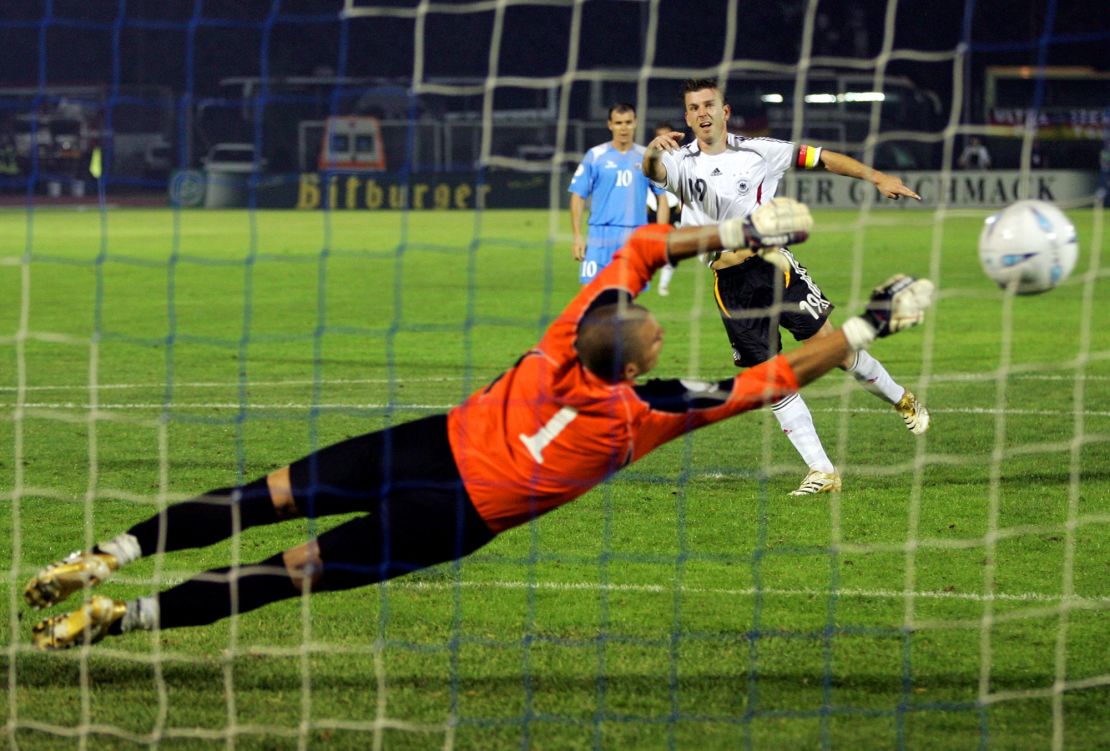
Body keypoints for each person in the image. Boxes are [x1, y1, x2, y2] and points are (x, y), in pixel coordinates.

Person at [23, 199, 935, 650]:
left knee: (264, 496)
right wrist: (870, 322)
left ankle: (110, 552)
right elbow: (778, 374)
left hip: (426, 444)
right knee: (290, 569)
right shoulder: (644, 415)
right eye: (657, 331)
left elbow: (647, 248)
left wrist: (735, 225)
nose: (661, 327)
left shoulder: (561, 338)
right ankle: (122, 614)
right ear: (639, 357)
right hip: (459, 514)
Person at [642, 78, 929, 496]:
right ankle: (822, 471)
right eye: (693, 107)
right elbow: (653, 170)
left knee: (836, 352)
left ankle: (902, 398)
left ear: (725, 111)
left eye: (709, 105)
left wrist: (878, 177)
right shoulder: (681, 161)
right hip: (729, 283)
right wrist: (653, 148)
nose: (702, 113)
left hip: (774, 267)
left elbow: (824, 158)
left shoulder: (761, 150)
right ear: (687, 117)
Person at [570, 103, 669, 283]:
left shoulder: (647, 157)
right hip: (599, 236)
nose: (623, 128)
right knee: (592, 297)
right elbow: (578, 195)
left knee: (626, 300)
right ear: (610, 124)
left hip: (634, 238)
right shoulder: (595, 155)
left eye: (628, 122)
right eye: (618, 123)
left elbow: (662, 198)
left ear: (635, 123)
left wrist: (659, 236)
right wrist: (577, 236)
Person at [647, 121, 684, 296]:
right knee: (649, 248)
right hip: (652, 210)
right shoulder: (648, 158)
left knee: (671, 250)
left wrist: (682, 205)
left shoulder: (681, 158)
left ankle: (663, 285)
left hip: (674, 210)